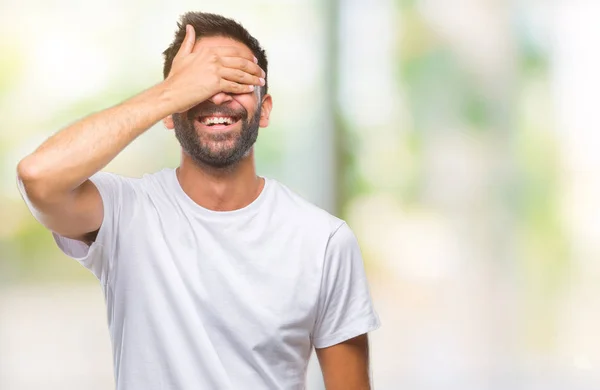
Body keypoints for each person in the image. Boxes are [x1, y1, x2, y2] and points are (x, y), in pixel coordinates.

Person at [16, 11, 380, 390]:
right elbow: (38, 177)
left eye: (236, 80)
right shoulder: (126, 213)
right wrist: (171, 92)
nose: (218, 95)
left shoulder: (324, 241)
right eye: (200, 83)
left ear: (265, 109)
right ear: (170, 113)